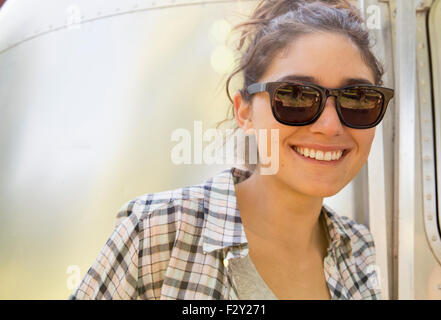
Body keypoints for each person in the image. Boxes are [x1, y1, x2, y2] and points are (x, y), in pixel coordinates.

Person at [69, 0, 394, 300]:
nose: (330, 125)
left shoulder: (359, 247)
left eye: (358, 99)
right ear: (245, 112)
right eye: (295, 96)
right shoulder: (160, 232)